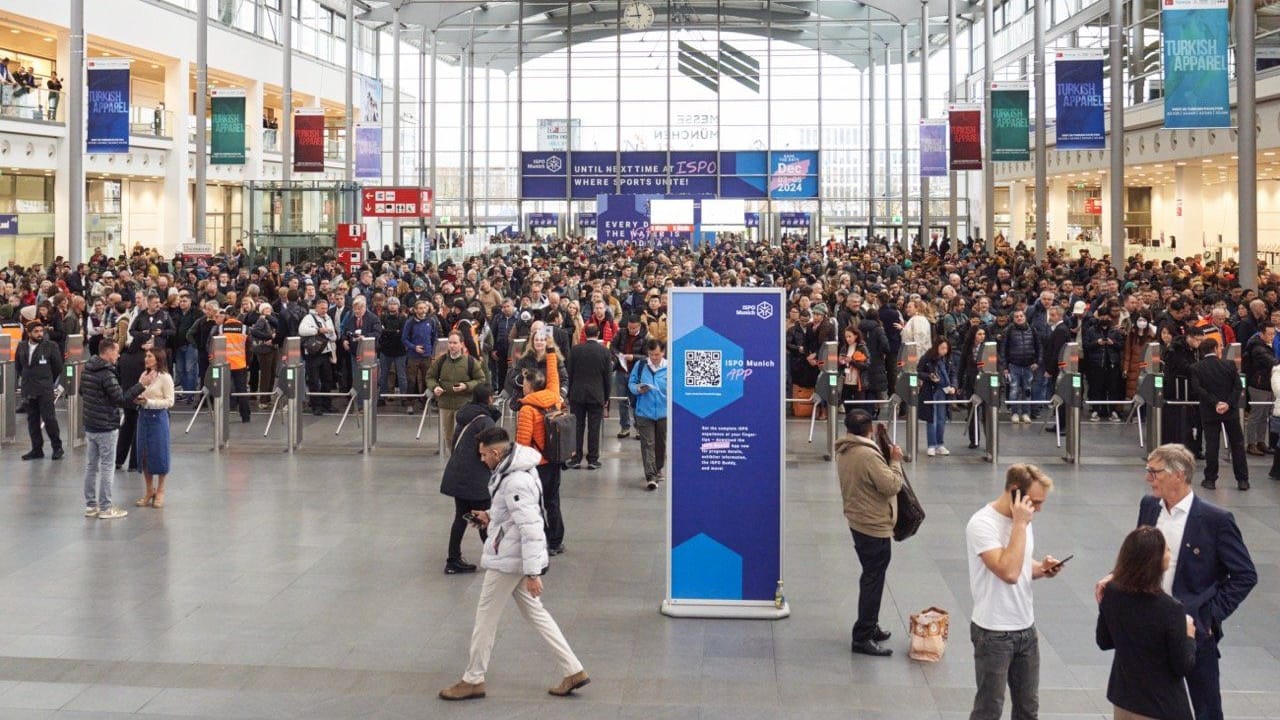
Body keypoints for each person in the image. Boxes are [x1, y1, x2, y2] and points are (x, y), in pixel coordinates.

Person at [1096, 444, 1257, 720]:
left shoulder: (1215, 520)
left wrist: (1209, 616)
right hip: (1149, 624)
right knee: (1148, 703)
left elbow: (1245, 575)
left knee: (1205, 706)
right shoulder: (1149, 507)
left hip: (1191, 626)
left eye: (1154, 472)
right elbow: (1138, 555)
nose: (1149, 478)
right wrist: (1116, 575)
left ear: (1178, 475)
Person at [438, 426, 589, 702]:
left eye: (484, 455)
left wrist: (533, 573)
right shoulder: (514, 468)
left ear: (496, 452)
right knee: (536, 613)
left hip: (509, 560)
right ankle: (573, 669)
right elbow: (512, 511)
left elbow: (531, 527)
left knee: (485, 617)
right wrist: (489, 515)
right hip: (513, 555)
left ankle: (473, 678)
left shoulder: (515, 480)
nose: (482, 460)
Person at [966, 463, 1065, 720]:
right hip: (994, 632)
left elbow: (1020, 564)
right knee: (989, 708)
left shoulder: (1024, 516)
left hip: (1025, 628)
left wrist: (1042, 568)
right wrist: (1020, 525)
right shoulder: (982, 524)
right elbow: (1008, 572)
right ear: (1013, 491)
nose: (1038, 509)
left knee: (1028, 708)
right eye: (1034, 502)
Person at [1095, 526, 1197, 720]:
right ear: (1156, 561)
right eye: (1166, 550)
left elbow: (1104, 641)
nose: (1169, 554)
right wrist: (1189, 635)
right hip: (1160, 707)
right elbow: (1182, 665)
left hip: (1124, 701)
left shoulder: (1112, 592)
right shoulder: (1171, 609)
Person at [835, 410, 904, 657]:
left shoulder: (846, 450)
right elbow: (891, 485)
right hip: (873, 525)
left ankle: (870, 624)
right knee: (873, 579)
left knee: (871, 575)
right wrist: (895, 461)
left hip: (858, 520)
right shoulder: (866, 455)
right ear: (869, 430)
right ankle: (862, 635)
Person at [439, 384, 499, 575]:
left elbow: (455, 442)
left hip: (458, 473)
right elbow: (491, 452)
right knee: (484, 517)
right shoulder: (486, 421)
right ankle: (495, 559)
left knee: (460, 517)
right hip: (476, 477)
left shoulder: (465, 416)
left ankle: (453, 559)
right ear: (489, 399)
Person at [80, 339, 141, 519]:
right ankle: (106, 508)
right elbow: (121, 398)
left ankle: (91, 506)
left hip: (90, 425)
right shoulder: (106, 373)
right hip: (106, 426)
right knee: (107, 467)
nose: (119, 355)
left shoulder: (87, 369)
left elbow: (83, 391)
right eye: (116, 351)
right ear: (107, 352)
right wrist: (141, 385)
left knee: (91, 466)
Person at [515, 362, 566, 553]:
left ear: (530, 386)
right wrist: (551, 350)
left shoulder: (527, 409)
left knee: (535, 503)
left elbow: (522, 442)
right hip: (554, 458)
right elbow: (554, 377)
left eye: (525, 383)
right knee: (553, 500)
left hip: (537, 464)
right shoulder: (553, 398)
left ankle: (543, 537)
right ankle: (556, 540)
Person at [1188, 338, 1249, 490]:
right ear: (1215, 349)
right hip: (1231, 411)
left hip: (1209, 411)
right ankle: (1242, 480)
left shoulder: (1196, 367)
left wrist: (1215, 403)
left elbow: (1198, 389)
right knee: (1237, 444)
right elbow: (1238, 387)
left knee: (1212, 445)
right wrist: (1227, 403)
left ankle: (1210, 479)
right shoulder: (1229, 364)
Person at [429, 332, 486, 458]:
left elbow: (481, 380)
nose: (452, 346)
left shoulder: (470, 362)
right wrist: (435, 387)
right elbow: (430, 377)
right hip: (445, 404)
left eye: (455, 343)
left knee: (462, 435)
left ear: (461, 344)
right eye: (450, 343)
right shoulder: (441, 361)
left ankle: (462, 459)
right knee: (448, 436)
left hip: (464, 405)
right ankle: (454, 457)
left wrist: (466, 386)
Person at [133, 348, 175, 509]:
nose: (146, 358)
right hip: (143, 417)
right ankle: (149, 490)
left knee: (160, 453)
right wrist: (138, 400)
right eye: (146, 356)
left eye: (149, 356)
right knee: (144, 453)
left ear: (158, 358)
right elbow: (139, 390)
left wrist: (150, 402)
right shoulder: (144, 375)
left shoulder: (165, 378)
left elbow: (170, 401)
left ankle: (161, 490)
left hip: (158, 418)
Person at [566, 323, 612, 469]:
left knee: (577, 427)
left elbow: (569, 373)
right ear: (598, 333)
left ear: (584, 333)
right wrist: (606, 397)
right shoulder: (605, 352)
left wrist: (568, 393)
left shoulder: (575, 350)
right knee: (594, 427)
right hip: (597, 394)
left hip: (577, 394)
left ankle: (576, 458)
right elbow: (608, 378)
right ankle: (592, 459)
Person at [17, 321, 64, 461]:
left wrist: (47, 380)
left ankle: (57, 447)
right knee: (32, 420)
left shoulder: (50, 346)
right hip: (28, 388)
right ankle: (36, 449)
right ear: (29, 333)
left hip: (44, 389)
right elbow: (19, 367)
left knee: (49, 419)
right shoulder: (22, 346)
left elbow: (58, 367)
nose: (39, 334)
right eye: (36, 331)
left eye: (41, 331)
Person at [629, 338, 669, 491]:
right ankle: (651, 476)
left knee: (661, 444)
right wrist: (638, 389)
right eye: (651, 355)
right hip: (644, 413)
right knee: (648, 444)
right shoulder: (641, 366)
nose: (654, 358)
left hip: (663, 413)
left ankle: (658, 468)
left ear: (663, 353)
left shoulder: (669, 368)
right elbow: (631, 384)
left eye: (657, 355)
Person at [609, 314, 647, 439]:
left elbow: (647, 357)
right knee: (622, 401)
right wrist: (618, 354)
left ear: (639, 326)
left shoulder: (645, 337)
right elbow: (612, 347)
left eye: (634, 328)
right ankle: (624, 427)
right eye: (629, 328)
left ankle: (639, 428)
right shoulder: (621, 333)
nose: (631, 330)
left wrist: (633, 357)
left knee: (636, 402)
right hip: (621, 370)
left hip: (636, 374)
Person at [999, 309, 1041, 424]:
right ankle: (1015, 413)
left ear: (1025, 317)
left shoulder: (1032, 330)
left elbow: (1039, 347)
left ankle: (1026, 413)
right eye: (1016, 316)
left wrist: (1037, 361)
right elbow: (1003, 350)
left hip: (1029, 366)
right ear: (1013, 319)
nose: (1019, 318)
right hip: (1013, 366)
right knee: (1014, 390)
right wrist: (1005, 366)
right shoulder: (1008, 330)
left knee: (1027, 390)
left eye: (1021, 316)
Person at [299, 297, 338, 415]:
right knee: (314, 381)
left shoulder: (328, 318)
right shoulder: (308, 318)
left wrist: (330, 334)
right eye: (322, 308)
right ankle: (316, 406)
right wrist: (318, 330)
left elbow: (334, 337)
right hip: (313, 354)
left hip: (325, 353)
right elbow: (302, 330)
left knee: (327, 380)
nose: (324, 310)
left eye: (326, 308)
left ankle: (327, 404)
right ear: (316, 308)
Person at [917, 337, 955, 457]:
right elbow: (918, 372)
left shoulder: (947, 359)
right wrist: (929, 376)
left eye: (946, 348)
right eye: (942, 348)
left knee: (941, 418)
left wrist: (954, 386)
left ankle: (940, 444)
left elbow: (953, 373)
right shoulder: (927, 358)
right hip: (931, 391)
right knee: (931, 419)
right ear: (936, 347)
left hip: (944, 392)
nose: (944, 350)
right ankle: (931, 445)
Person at [1242, 323, 1276, 456]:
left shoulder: (1266, 345)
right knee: (1256, 415)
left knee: (1264, 416)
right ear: (1261, 334)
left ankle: (1261, 441)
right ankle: (1251, 443)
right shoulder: (1257, 347)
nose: (1272, 337)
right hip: (1258, 385)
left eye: (1273, 334)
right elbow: (1270, 361)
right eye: (1269, 334)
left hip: (1267, 384)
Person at [403, 299, 439, 413]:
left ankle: (425, 402)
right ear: (415, 310)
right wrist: (414, 347)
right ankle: (410, 403)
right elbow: (404, 339)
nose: (423, 310)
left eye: (424, 308)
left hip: (427, 356)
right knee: (411, 380)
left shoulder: (432, 321)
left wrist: (432, 351)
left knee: (426, 380)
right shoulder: (410, 322)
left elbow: (434, 337)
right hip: (413, 356)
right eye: (420, 308)